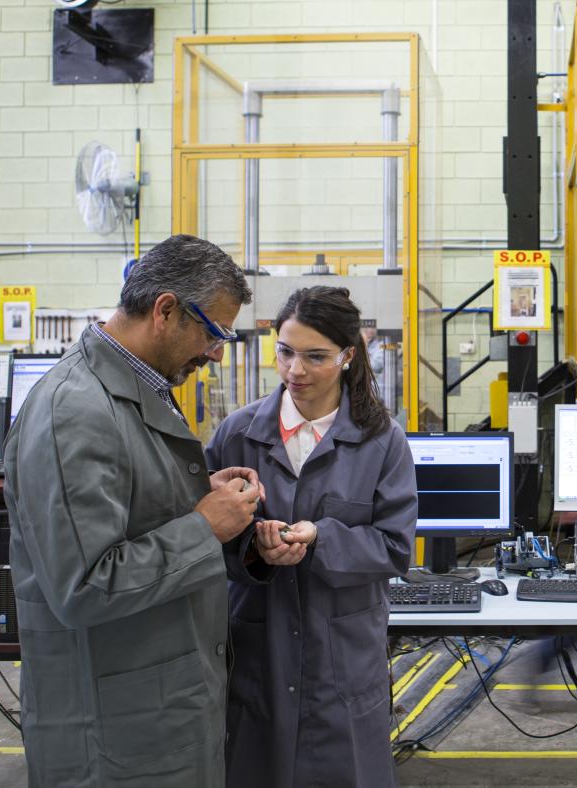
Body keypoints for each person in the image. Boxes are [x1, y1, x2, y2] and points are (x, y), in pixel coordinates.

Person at [3, 234, 261, 788]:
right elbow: (84, 584)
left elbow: (128, 510)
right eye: (214, 333)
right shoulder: (73, 410)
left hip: (158, 712)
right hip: (114, 736)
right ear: (166, 310)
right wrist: (204, 526)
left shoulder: (133, 387)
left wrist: (189, 495)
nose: (216, 352)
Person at [205, 286, 417, 788]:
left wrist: (321, 537)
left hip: (341, 665)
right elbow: (203, 544)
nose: (295, 370)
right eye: (285, 352)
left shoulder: (382, 441)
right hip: (258, 657)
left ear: (348, 355)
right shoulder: (237, 435)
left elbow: (395, 547)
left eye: (315, 357)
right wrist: (253, 551)